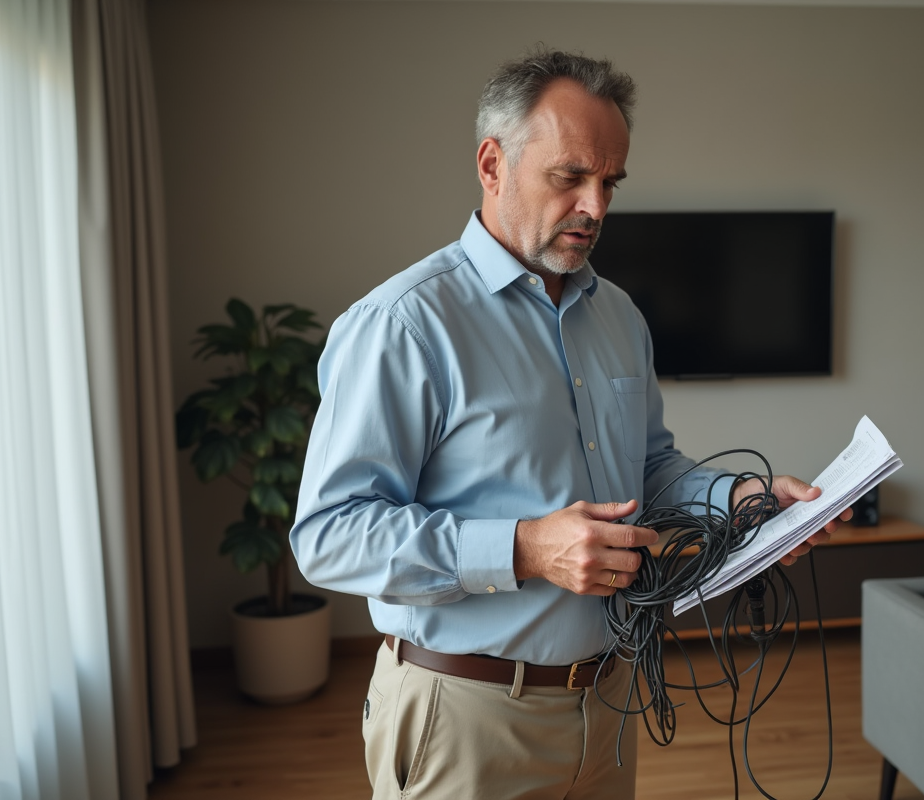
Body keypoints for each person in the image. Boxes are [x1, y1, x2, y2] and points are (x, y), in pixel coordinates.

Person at [290, 48, 849, 800]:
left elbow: (649, 469)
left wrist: (746, 500)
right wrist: (524, 549)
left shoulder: (618, 314)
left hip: (611, 702)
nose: (597, 206)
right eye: (570, 177)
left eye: (610, 182)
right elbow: (329, 537)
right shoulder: (404, 326)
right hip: (465, 719)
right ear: (493, 165)